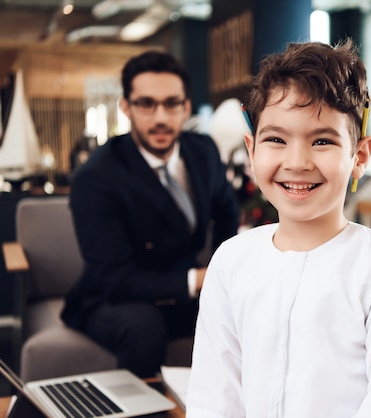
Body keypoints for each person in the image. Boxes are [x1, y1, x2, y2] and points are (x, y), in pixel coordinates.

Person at [186, 40, 371, 418]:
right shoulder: (231, 263)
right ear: (252, 150)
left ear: (359, 156)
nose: (296, 162)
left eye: (322, 140)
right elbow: (215, 396)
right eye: (276, 139)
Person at [61, 50, 240, 378]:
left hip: (181, 287)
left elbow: (228, 212)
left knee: (252, 309)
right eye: (146, 103)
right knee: (143, 326)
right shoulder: (97, 176)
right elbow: (115, 279)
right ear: (126, 107)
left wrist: (222, 268)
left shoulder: (203, 151)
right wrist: (200, 279)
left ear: (186, 107)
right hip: (111, 297)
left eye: (172, 103)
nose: (160, 117)